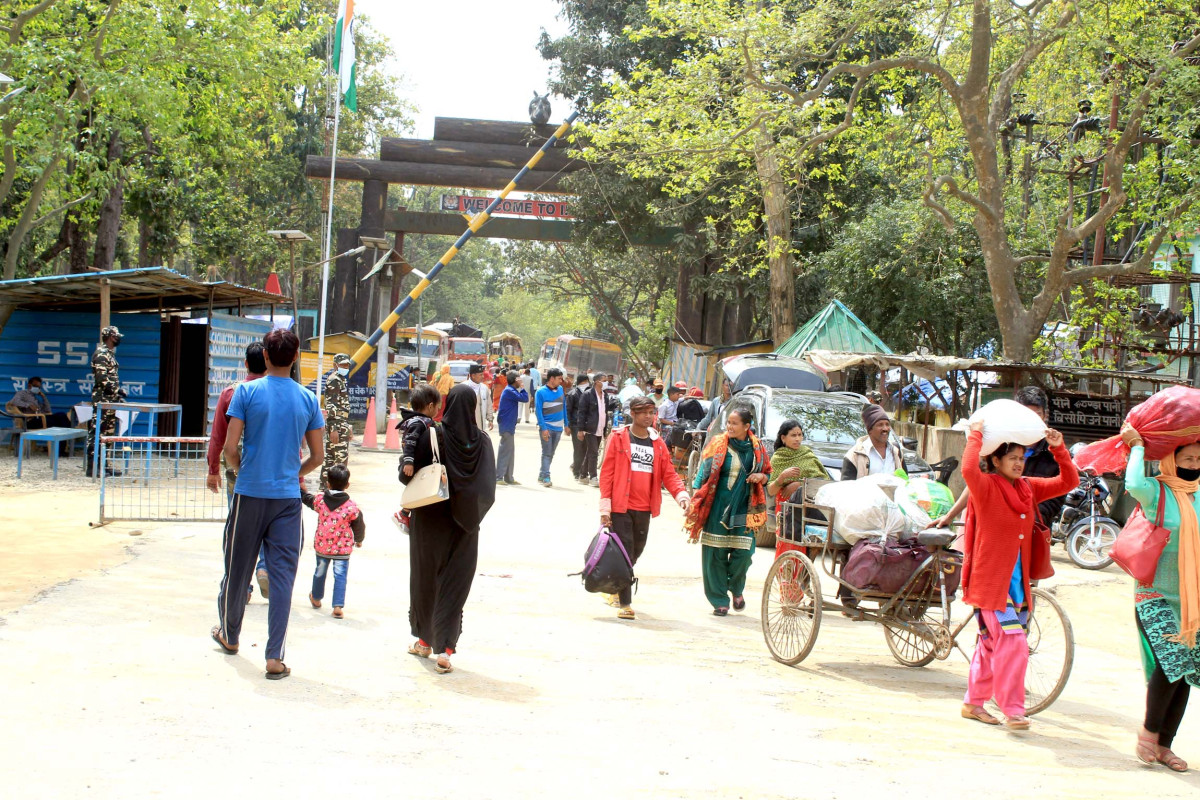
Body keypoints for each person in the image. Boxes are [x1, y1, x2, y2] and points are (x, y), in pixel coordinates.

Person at [212, 329, 325, 680]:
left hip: (249, 494)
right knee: (281, 578)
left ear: (264, 354)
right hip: (287, 501)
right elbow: (317, 455)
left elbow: (230, 448)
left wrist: (239, 470)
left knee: (238, 568)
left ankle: (230, 635)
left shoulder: (246, 392)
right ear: (294, 358)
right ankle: (274, 656)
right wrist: (294, 472)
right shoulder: (308, 400)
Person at [959, 421, 1077, 731]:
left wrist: (1058, 448)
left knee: (989, 645)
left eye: (1021, 458)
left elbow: (1069, 480)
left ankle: (973, 703)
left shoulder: (1028, 487)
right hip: (990, 585)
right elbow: (969, 470)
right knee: (1013, 643)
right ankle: (1013, 709)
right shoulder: (985, 486)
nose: (1018, 463)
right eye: (1011, 457)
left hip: (1018, 586)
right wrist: (976, 436)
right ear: (995, 460)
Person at [1120, 423, 1200, 772]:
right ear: (1171, 459)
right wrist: (1137, 446)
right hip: (1153, 595)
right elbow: (1133, 483)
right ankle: (1149, 733)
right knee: (1170, 663)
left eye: (1199, 459)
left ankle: (1165, 746)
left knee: (1185, 673)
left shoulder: (1198, 495)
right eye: (1187, 458)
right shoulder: (1157, 492)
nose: (1194, 464)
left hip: (1191, 601)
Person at [401, 384, 496, 674]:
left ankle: (424, 642)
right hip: (465, 526)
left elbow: (407, 478)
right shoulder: (483, 441)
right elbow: (488, 488)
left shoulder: (434, 433)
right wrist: (470, 514)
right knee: (454, 585)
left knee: (425, 580)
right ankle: (446, 650)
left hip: (430, 520)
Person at [599, 394, 690, 619]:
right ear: (633, 414)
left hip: (645, 507)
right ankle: (625, 603)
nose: (649, 417)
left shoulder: (657, 443)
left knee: (635, 551)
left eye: (652, 413)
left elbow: (669, 473)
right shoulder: (619, 438)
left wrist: (681, 495)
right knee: (626, 551)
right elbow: (607, 473)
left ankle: (614, 585)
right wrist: (605, 507)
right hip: (621, 506)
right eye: (644, 413)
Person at [935, 387, 1067, 529]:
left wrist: (1028, 517)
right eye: (1027, 414)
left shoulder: (1053, 453)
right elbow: (974, 482)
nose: (1032, 420)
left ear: (1045, 416)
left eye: (1037, 414)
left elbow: (1064, 487)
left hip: (1032, 532)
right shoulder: (998, 447)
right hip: (992, 529)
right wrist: (950, 516)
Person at [685, 407, 771, 616]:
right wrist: (696, 499)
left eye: (734, 423)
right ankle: (719, 600)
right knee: (715, 554)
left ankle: (736, 588)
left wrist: (761, 478)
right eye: (728, 423)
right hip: (717, 504)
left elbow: (767, 473)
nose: (729, 427)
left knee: (744, 554)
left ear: (746, 426)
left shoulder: (757, 448)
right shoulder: (717, 444)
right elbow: (702, 475)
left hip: (745, 505)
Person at [206, 342, 270, 599]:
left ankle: (240, 584)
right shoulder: (277, 393)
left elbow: (218, 437)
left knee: (239, 524)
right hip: (269, 469)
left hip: (238, 470)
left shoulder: (231, 393)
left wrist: (213, 469)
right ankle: (264, 568)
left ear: (245, 364)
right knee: (269, 522)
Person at [303, 463, 364, 619]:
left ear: (327, 483)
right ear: (347, 485)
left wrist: (297, 489)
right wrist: (358, 540)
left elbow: (307, 499)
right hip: (342, 549)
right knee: (340, 576)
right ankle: (337, 606)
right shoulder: (351, 507)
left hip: (323, 546)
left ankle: (316, 598)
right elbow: (359, 525)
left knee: (320, 572)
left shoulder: (320, 501)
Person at [394, 384, 440, 533]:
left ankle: (405, 513)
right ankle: (403, 513)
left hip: (416, 463)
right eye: (438, 407)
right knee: (418, 490)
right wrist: (408, 461)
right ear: (431, 406)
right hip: (414, 464)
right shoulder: (418, 422)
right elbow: (410, 442)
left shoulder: (420, 420)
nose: (438, 410)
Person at [86, 325, 125, 477]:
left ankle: (105, 465)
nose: (118, 339)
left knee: (108, 434)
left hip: (110, 400)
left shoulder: (109, 354)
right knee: (97, 433)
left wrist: (117, 393)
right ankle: (93, 468)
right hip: (102, 400)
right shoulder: (101, 354)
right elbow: (102, 379)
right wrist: (116, 391)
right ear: (110, 337)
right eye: (116, 336)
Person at [767, 420, 829, 501]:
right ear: (783, 438)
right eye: (793, 435)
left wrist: (799, 484)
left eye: (800, 435)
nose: (797, 439)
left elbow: (821, 480)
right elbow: (771, 491)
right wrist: (782, 477)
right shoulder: (777, 458)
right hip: (786, 507)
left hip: (811, 504)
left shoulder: (807, 453)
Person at [841, 403, 903, 480]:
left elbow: (906, 483)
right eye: (880, 425)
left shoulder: (896, 451)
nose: (885, 429)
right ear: (870, 430)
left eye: (887, 424)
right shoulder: (854, 456)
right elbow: (846, 488)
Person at [321, 353, 352, 490]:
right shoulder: (334, 380)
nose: (345, 367)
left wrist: (347, 426)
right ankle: (332, 490)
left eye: (347, 365)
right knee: (339, 460)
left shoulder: (340, 379)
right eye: (343, 364)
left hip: (341, 423)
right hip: (337, 425)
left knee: (330, 460)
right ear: (335, 365)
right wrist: (333, 428)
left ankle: (324, 489)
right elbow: (331, 405)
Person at [575, 372, 609, 486]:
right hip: (590, 428)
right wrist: (580, 429)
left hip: (600, 427)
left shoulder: (605, 395)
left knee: (591, 452)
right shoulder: (588, 394)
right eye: (604, 380)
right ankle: (593, 477)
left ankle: (583, 475)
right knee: (594, 452)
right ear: (597, 381)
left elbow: (605, 412)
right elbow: (581, 413)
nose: (606, 383)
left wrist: (605, 431)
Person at [495, 370, 529, 485]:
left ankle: (508, 477)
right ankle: (499, 477)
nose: (521, 380)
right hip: (506, 424)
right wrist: (523, 386)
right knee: (505, 451)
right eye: (519, 379)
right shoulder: (509, 390)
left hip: (509, 424)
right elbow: (525, 398)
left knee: (510, 451)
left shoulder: (511, 390)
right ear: (515, 380)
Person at [535, 368, 566, 487]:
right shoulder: (541, 392)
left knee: (551, 453)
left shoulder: (561, 390)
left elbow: (564, 407)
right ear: (551, 378)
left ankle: (542, 474)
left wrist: (566, 424)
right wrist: (543, 428)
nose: (561, 381)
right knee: (547, 453)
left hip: (559, 428)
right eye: (559, 378)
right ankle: (546, 477)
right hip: (547, 427)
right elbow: (538, 411)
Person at [565, 372, 590, 480]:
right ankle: (577, 472)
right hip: (575, 424)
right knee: (578, 448)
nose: (587, 384)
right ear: (581, 382)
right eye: (585, 382)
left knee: (586, 448)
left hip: (587, 425)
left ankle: (579, 467)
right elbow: (568, 410)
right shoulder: (572, 394)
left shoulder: (590, 394)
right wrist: (568, 425)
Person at [466, 363, 495, 431]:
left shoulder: (484, 388)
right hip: (466, 426)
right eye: (480, 375)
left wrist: (490, 420)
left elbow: (489, 405)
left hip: (480, 426)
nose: (483, 377)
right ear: (473, 376)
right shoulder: (464, 387)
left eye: (483, 374)